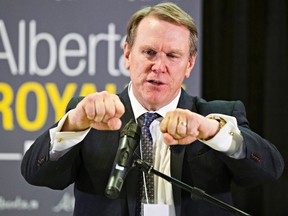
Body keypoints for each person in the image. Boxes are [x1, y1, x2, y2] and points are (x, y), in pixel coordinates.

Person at [21, 2, 284, 216]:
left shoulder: (213, 117)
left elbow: (270, 169)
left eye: (172, 56)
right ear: (127, 54)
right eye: (149, 52)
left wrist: (211, 131)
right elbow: (35, 173)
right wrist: (73, 124)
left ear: (189, 64)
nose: (159, 66)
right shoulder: (93, 116)